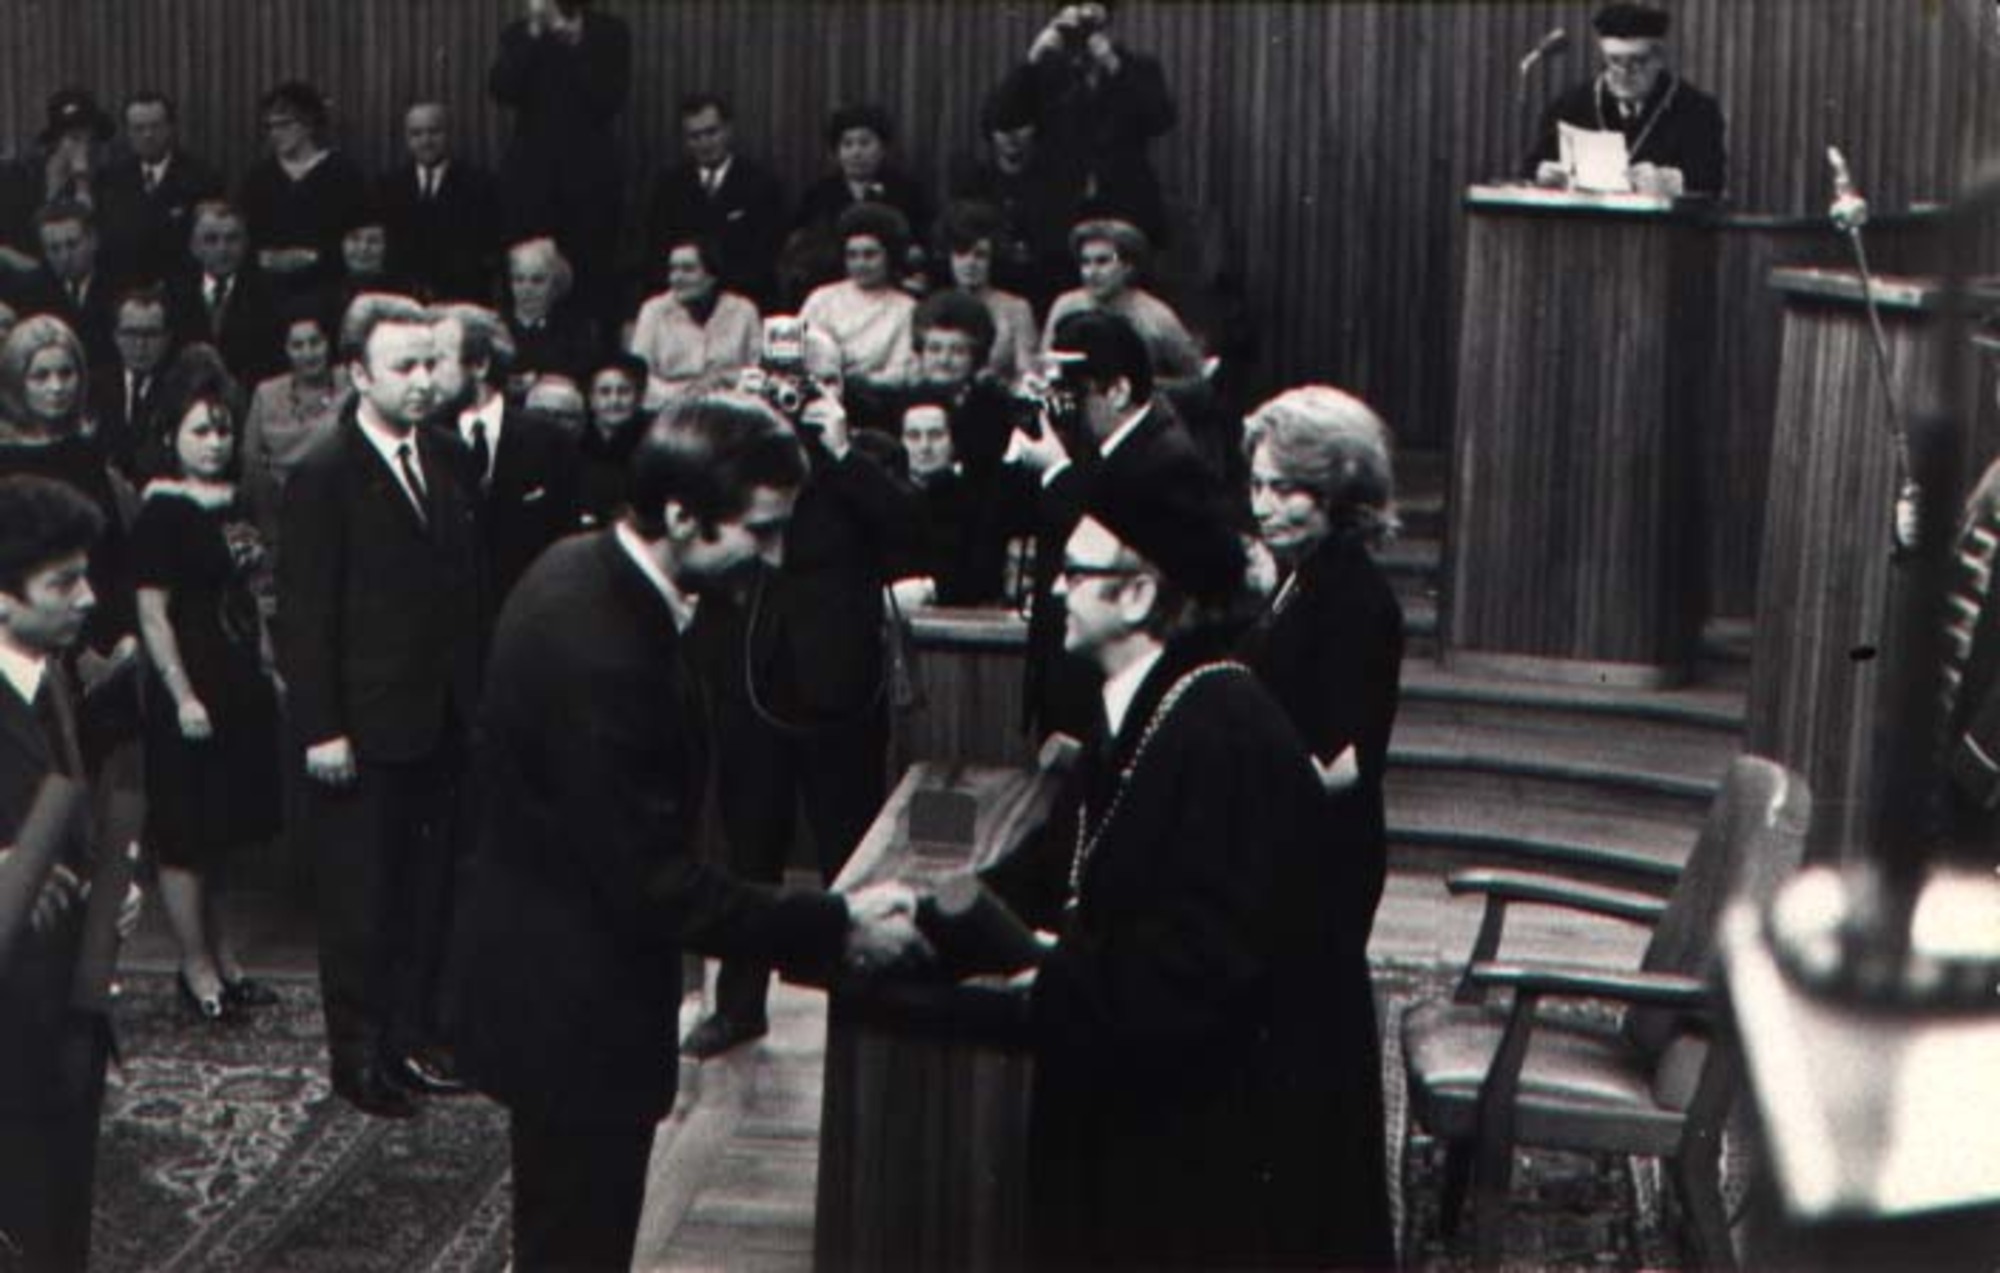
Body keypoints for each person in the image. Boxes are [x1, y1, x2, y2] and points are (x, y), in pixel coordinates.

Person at [452, 391, 925, 1272]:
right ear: (680, 515)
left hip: (559, 977)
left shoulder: (583, 567)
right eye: (760, 529)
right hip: (574, 1005)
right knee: (576, 1249)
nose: (775, 554)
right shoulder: (601, 649)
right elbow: (654, 882)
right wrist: (835, 921)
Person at [975, 465, 1393, 1270]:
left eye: (1073, 573)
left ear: (1138, 595)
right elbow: (1063, 857)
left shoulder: (1220, 727)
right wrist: (938, 916)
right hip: (1190, 1082)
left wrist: (1050, 974)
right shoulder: (1154, 700)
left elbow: (1203, 962)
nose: (1056, 591)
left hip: (1241, 1133)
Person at [681, 324, 920, 1058]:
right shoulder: (738, 447)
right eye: (780, 377)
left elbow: (912, 532)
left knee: (850, 845)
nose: (792, 394)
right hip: (749, 675)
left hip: (837, 684)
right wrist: (738, 431)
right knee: (748, 846)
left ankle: (861, 1009)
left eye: (807, 379)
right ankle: (738, 1006)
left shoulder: (863, 455)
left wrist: (840, 451)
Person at [278, 293, 483, 1118]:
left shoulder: (447, 455)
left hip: (441, 721)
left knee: (427, 893)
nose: (423, 380)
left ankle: (411, 1039)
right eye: (404, 366)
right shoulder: (323, 472)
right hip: (360, 729)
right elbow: (304, 613)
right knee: (361, 901)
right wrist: (322, 726)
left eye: (431, 363)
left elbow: (465, 592)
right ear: (358, 375)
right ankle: (358, 1058)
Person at [0, 475, 129, 1273]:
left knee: (56, 1205)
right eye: (63, 583)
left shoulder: (49, 676)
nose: (88, 598)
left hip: (60, 999)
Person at [132, 348, 283, 1023]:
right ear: (172, 435)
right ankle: (195, 967)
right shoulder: (162, 511)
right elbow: (152, 614)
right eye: (200, 430)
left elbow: (251, 595)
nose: (215, 443)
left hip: (237, 685)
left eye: (223, 430)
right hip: (188, 689)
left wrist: (270, 664)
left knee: (221, 831)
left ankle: (226, 959)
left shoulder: (237, 502)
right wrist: (182, 694)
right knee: (185, 833)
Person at [1008, 308, 1228, 743]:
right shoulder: (1099, 446)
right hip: (1072, 667)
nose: (1060, 404)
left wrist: (1057, 472)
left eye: (1071, 391)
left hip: (1117, 686)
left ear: (1118, 391)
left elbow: (1111, 542)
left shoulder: (1166, 458)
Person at [1236, 386, 1404, 953]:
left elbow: (1344, 767)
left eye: (1284, 490)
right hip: (1285, 848)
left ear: (1339, 494)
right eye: (1257, 485)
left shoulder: (1355, 598)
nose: (1262, 506)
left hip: (1320, 865)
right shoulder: (1303, 574)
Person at [428, 302, 581, 616]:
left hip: (532, 619)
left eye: (437, 361)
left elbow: (566, 547)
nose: (426, 376)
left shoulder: (550, 441)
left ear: (480, 365)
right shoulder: (421, 441)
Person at [489, 0, 633, 328]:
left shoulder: (610, 32)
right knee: (530, 275)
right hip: (533, 184)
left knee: (592, 279)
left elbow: (609, 97)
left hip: (590, 183)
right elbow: (502, 89)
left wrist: (571, 43)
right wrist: (535, 32)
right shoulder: (520, 33)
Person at [0, 315, 138, 658]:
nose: (57, 387)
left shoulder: (87, 454)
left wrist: (125, 634)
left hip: (97, 627)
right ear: (16, 381)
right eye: (41, 376)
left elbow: (113, 554)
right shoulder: (5, 460)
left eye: (66, 373)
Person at [996, 2, 1177, 245]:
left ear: (1108, 20)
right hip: (1056, 212)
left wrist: (1114, 65)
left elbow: (1161, 120)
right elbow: (1002, 118)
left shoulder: (1138, 67)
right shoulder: (1045, 71)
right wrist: (1033, 58)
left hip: (1126, 209)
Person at [1528, 3, 1727, 197]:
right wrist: (1543, 174)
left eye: (1637, 61)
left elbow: (1712, 183)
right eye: (1614, 61)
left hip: (1661, 219)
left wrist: (1672, 182)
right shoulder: (1568, 107)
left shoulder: (1697, 111)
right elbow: (1530, 171)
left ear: (1659, 58)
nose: (1624, 73)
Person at [240, 300, 347, 603]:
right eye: (297, 345)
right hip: (280, 512)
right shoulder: (267, 394)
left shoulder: (351, 384)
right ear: (285, 350)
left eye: (315, 342)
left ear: (329, 343)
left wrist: (287, 452)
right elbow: (250, 458)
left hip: (336, 505)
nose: (308, 353)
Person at [948, 85, 1087, 314]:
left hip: (1044, 290)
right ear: (991, 133)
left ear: (1035, 128)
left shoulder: (1057, 184)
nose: (1011, 137)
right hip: (987, 289)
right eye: (1002, 129)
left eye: (1020, 127)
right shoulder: (974, 183)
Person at [644, 92, 789, 309]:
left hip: (745, 301)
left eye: (712, 132)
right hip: (681, 303)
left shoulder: (761, 185)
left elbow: (767, 255)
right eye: (695, 136)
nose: (704, 143)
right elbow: (657, 255)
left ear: (729, 130)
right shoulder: (670, 188)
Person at [236, 81, 369, 298]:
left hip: (329, 288)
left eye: (284, 124)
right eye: (270, 126)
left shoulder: (344, 174)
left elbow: (359, 236)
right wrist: (267, 258)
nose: (275, 133)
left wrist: (314, 257)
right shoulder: (257, 178)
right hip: (267, 291)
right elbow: (243, 237)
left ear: (309, 124)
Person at [787, 104, 933, 299]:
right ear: (837, 151)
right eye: (847, 144)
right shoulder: (818, 195)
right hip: (833, 292)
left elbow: (921, 247)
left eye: (865, 143)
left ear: (882, 148)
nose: (856, 152)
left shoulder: (907, 192)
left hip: (893, 291)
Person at [1041, 217, 1203, 392]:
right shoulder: (1065, 306)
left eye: (1103, 261)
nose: (1091, 272)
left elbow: (1197, 380)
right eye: (1085, 262)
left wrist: (1146, 385)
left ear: (1128, 266)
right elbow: (1046, 367)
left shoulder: (1157, 316)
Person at [378, 101, 504, 304]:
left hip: (462, 300)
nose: (426, 141)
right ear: (407, 139)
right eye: (416, 134)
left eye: (434, 132)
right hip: (403, 302)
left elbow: (485, 251)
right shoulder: (388, 186)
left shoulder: (479, 185)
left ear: (448, 134)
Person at [95, 90, 225, 285]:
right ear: (128, 132)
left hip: (182, 289)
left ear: (171, 127)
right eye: (138, 128)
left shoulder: (202, 178)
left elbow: (211, 245)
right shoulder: (109, 179)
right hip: (124, 290)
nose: (148, 135)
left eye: (155, 126)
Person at [798, 203, 918, 412]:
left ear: (889, 256)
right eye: (852, 255)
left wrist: (862, 382)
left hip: (878, 405)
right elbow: (800, 351)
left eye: (870, 255)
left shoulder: (906, 308)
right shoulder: (822, 299)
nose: (860, 263)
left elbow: (902, 372)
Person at [628, 235, 761, 409]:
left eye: (688, 269)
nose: (676, 278)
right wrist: (687, 393)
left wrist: (725, 382)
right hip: (670, 409)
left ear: (712, 276)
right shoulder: (653, 311)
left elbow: (757, 372)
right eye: (672, 270)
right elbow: (639, 376)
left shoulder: (744, 311)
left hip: (731, 407)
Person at [167, 200, 284, 385]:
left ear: (245, 244)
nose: (223, 249)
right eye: (211, 240)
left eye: (232, 239)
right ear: (194, 247)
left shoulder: (269, 295)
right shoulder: (173, 296)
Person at [11, 201, 122, 372]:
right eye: (54, 249)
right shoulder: (30, 290)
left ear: (93, 240)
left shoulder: (119, 284)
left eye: (72, 245)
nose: (65, 257)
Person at [938, 201, 1039, 387]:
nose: (970, 263)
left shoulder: (1016, 309)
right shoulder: (937, 306)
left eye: (980, 255)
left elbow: (1028, 374)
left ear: (993, 259)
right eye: (961, 254)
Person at [88, 283, 176, 478]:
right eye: (130, 333)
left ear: (167, 338)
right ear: (115, 336)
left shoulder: (178, 388)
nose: (140, 344)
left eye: (151, 334)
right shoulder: (93, 388)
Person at [502, 235, 601, 392]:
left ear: (556, 284)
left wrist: (540, 380)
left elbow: (583, 377)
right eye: (518, 279)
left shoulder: (576, 330)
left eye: (537, 280)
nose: (526, 289)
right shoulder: (496, 325)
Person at [576, 353, 650, 527]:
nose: (614, 400)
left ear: (638, 398)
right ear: (591, 399)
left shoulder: (652, 445)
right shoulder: (575, 445)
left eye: (623, 392)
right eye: (604, 392)